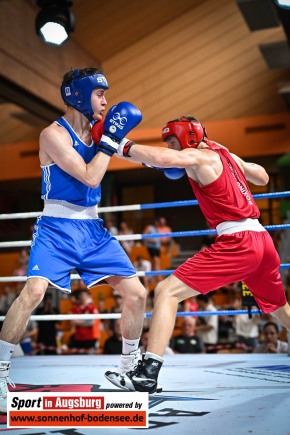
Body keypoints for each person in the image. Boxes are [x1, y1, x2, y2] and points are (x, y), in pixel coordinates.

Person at [105, 115, 290, 393]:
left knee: (166, 291)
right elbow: (262, 177)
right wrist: (235, 162)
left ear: (188, 138)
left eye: (171, 140)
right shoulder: (222, 152)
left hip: (238, 241)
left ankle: (148, 373)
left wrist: (119, 145)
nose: (169, 146)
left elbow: (163, 159)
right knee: (278, 308)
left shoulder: (199, 157)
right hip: (263, 241)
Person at [0, 67, 147, 413]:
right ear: (79, 95)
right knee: (34, 291)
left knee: (138, 293)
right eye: (100, 94)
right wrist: (109, 143)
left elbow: (140, 154)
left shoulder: (100, 132)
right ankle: (0, 370)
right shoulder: (53, 135)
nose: (106, 101)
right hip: (57, 227)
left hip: (93, 229)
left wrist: (179, 162)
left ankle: (128, 369)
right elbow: (90, 178)